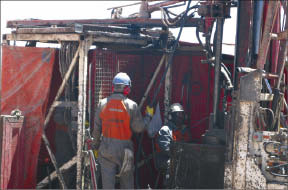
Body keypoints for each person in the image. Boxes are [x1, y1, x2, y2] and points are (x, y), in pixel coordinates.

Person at [91, 72, 153, 189]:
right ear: (127, 89)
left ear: (113, 87)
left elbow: (97, 129)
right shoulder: (132, 105)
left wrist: (95, 145)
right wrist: (148, 117)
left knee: (108, 186)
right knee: (127, 184)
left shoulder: (102, 104)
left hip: (107, 148)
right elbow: (138, 128)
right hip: (125, 150)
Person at [155, 103, 192, 185]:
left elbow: (189, 144)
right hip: (165, 159)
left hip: (180, 158)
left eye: (182, 114)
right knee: (174, 163)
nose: (181, 117)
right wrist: (181, 154)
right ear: (172, 116)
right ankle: (170, 185)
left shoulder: (183, 130)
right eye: (178, 114)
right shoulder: (165, 130)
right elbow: (167, 150)